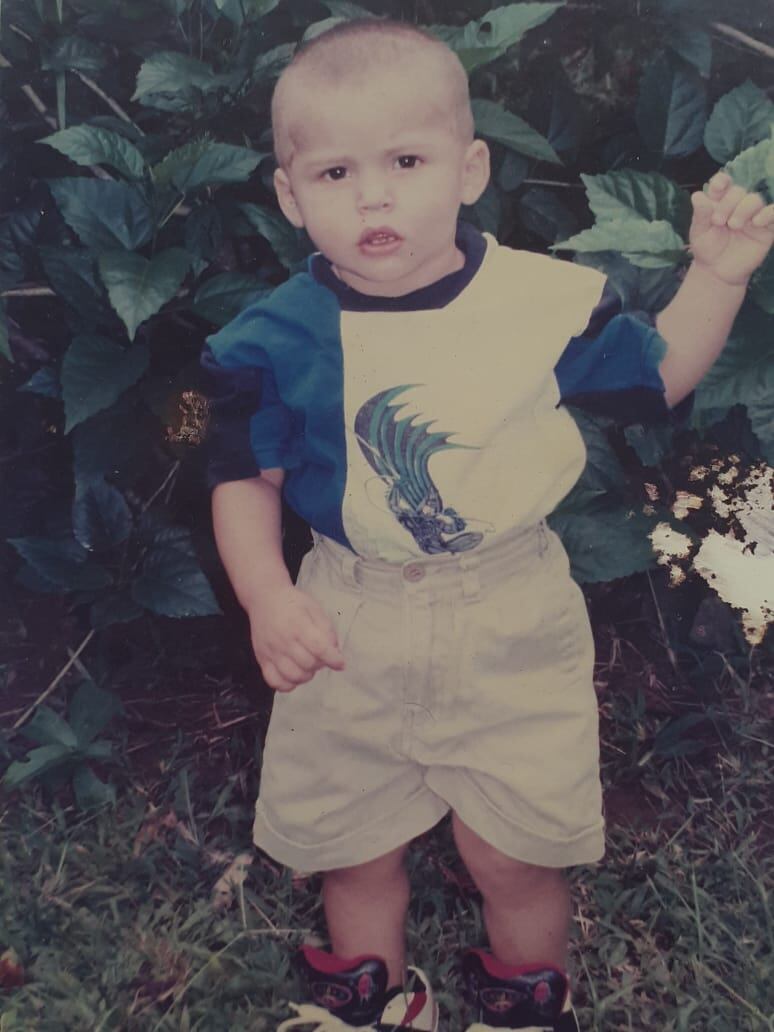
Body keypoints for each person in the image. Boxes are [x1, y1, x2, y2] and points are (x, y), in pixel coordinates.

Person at [201, 18, 774, 1032]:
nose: (373, 197)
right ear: (290, 197)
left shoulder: (536, 304)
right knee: (353, 845)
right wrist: (267, 595)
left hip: (509, 612)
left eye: (406, 162)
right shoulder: (274, 337)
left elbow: (657, 379)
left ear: (469, 170)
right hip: (348, 617)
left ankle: (525, 1000)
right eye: (334, 173)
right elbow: (245, 473)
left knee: (512, 850)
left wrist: (717, 277)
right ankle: (367, 999)